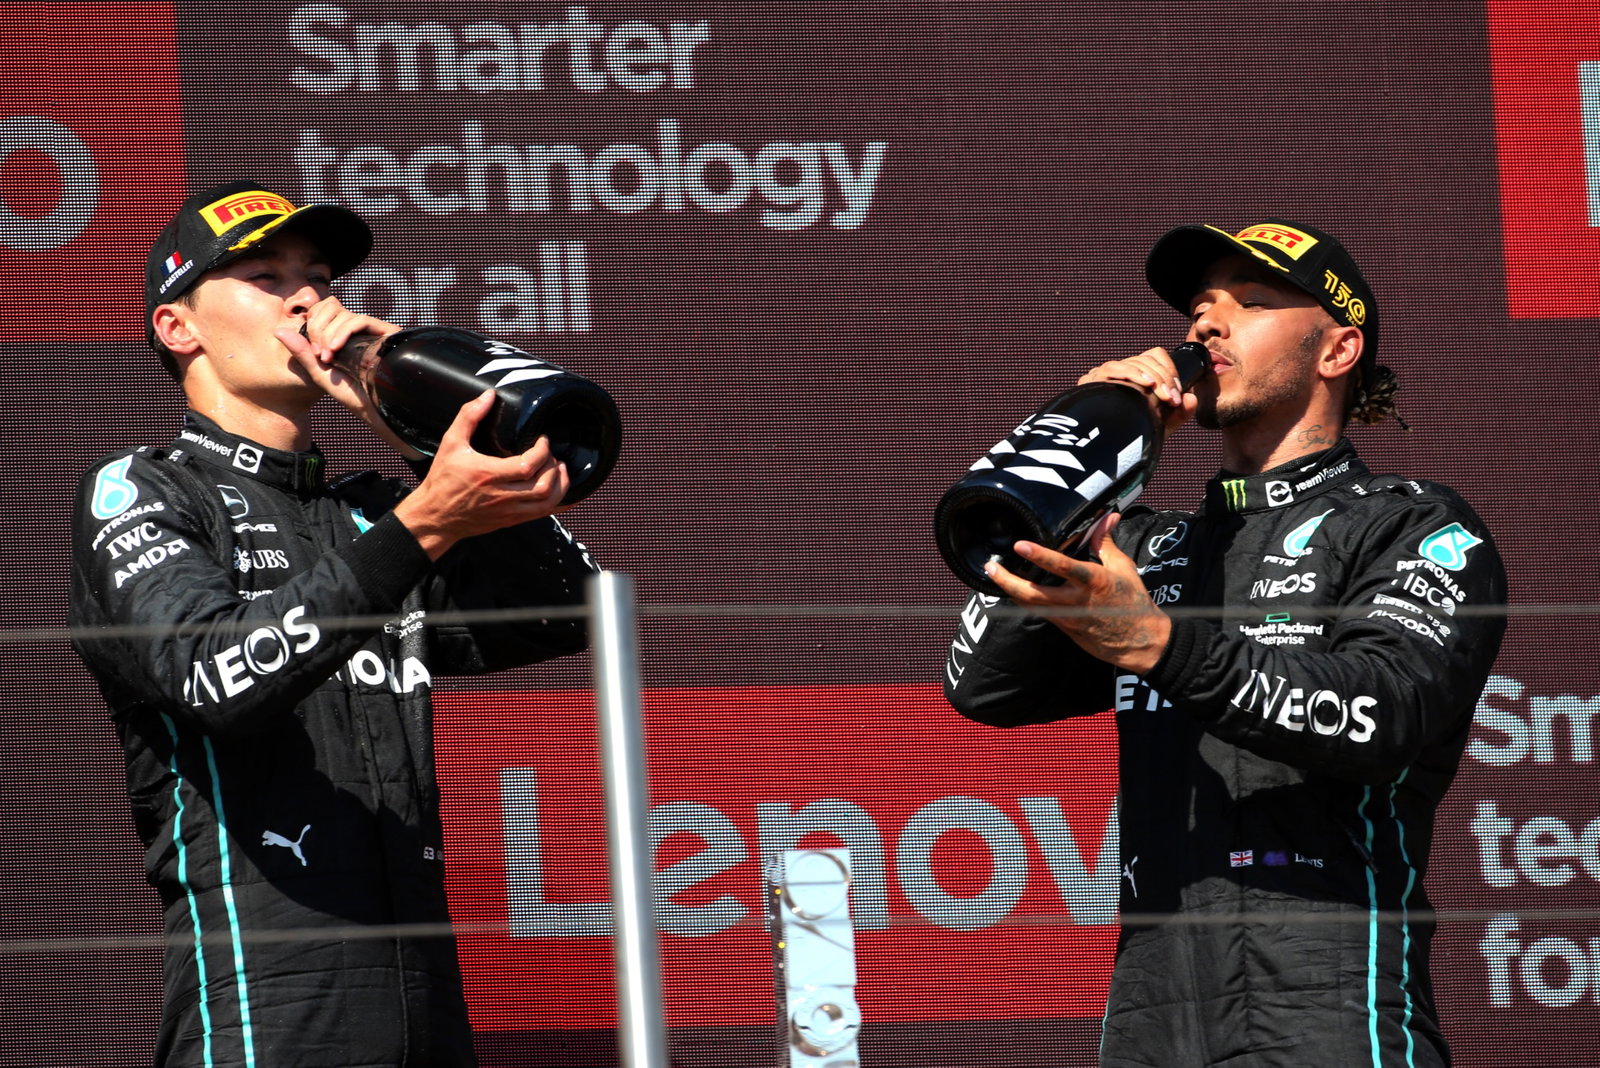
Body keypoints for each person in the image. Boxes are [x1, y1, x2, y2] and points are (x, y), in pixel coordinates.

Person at [942, 219, 1506, 1066]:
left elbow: (1383, 713)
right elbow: (983, 687)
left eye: (1251, 303)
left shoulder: (1409, 523)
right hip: (1149, 1009)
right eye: (1201, 307)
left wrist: (1161, 646)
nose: (1206, 325)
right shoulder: (1148, 547)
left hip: (1329, 1001)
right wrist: (1080, 475)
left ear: (1337, 350)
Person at [69, 181, 600, 1067]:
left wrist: (411, 421)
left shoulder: (373, 510)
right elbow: (213, 682)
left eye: (317, 275)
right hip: (267, 1002)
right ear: (179, 328)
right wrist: (424, 523)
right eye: (267, 277)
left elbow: (571, 609)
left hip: (429, 1001)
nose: (309, 299)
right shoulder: (145, 488)